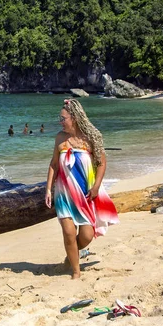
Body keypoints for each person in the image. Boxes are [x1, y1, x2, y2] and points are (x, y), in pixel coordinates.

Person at [45, 99, 119, 279]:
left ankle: (71, 256)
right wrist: (48, 189)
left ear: (75, 118)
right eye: (59, 118)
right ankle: (76, 272)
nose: (60, 121)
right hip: (64, 193)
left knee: (86, 236)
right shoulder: (60, 138)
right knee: (69, 233)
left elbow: (101, 163)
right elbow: (54, 164)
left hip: (85, 194)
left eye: (63, 118)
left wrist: (96, 187)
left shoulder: (91, 137)